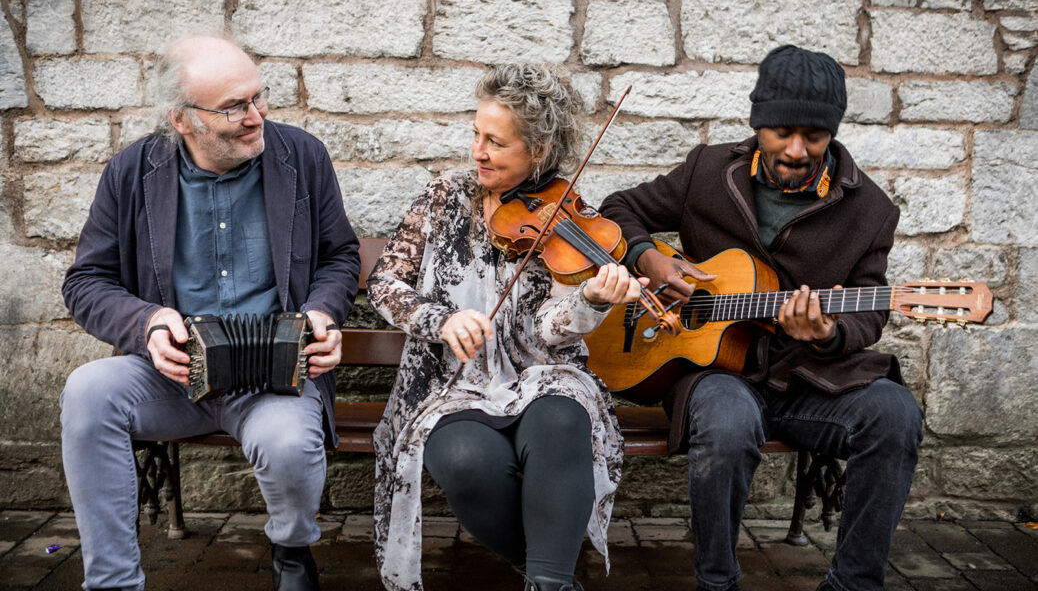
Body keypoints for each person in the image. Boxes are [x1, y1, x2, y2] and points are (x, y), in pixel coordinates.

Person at [599, 44, 923, 591]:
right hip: (714, 374)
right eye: (781, 132)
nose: (796, 150)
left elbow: (870, 306)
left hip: (810, 379)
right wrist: (649, 257)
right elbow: (617, 209)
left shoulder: (871, 210)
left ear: (832, 132)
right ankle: (717, 583)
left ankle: (852, 585)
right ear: (757, 124)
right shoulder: (708, 170)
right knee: (727, 422)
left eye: (814, 136)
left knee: (895, 413)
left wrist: (829, 333)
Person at [60, 34, 361, 591]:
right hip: (171, 377)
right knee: (87, 391)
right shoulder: (130, 172)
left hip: (277, 377)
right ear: (181, 119)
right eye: (233, 107)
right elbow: (85, 282)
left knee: (288, 444)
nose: (256, 116)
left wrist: (322, 311)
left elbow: (339, 256)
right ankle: (113, 581)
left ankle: (292, 550)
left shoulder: (302, 156)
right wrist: (147, 323)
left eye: (257, 97)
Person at [368, 64, 645, 591]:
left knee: (562, 423)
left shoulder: (570, 217)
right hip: (452, 383)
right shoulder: (443, 198)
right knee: (466, 461)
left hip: (544, 375)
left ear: (539, 150)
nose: (477, 151)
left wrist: (589, 301)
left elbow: (547, 334)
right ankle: (545, 567)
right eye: (477, 134)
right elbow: (385, 283)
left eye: (495, 142)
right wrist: (442, 319)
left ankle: (549, 583)